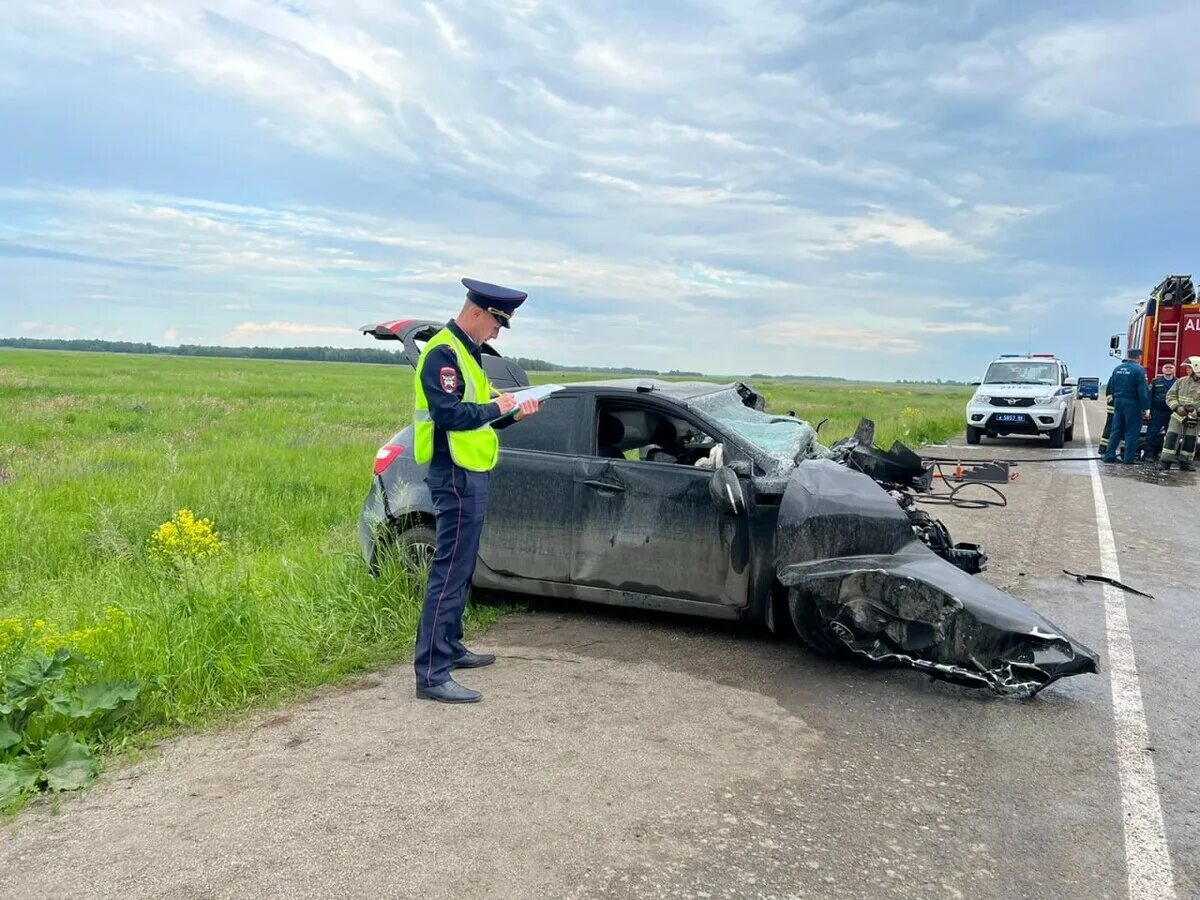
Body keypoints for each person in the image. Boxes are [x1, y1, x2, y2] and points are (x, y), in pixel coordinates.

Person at [411, 278, 541, 703]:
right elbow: (450, 414)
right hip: (454, 472)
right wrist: (495, 407)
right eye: (496, 325)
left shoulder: (469, 354)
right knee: (448, 571)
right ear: (476, 313)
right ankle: (431, 673)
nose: (497, 334)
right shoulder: (443, 353)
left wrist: (515, 412)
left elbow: (485, 413)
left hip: (472, 471)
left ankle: (450, 646)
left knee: (462, 567)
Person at [1102, 348, 1149, 465]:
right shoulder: (1139, 370)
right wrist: (1145, 408)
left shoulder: (1117, 369)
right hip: (1132, 403)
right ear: (1139, 357)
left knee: (1116, 430)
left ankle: (1109, 455)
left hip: (1118, 401)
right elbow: (1142, 390)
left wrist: (1116, 398)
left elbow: (1112, 387)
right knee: (1132, 431)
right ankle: (1129, 458)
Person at [1161, 356, 1200, 472]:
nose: (1187, 370)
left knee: (1190, 440)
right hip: (1178, 416)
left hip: (1195, 418)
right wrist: (1177, 407)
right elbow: (1170, 396)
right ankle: (1165, 462)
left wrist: (1197, 412)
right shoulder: (1181, 381)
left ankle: (1185, 463)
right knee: (1171, 438)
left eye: (1189, 368)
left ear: (1196, 368)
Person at [1145, 362, 1177, 460]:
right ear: (1162, 369)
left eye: (1170, 367)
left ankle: (1168, 456)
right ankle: (1149, 454)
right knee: (1152, 434)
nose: (1168, 369)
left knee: (1171, 435)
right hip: (1157, 412)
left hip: (1172, 413)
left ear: (1174, 369)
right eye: (1166, 367)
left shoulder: (1178, 382)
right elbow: (1149, 396)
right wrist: (1148, 410)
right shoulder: (1155, 381)